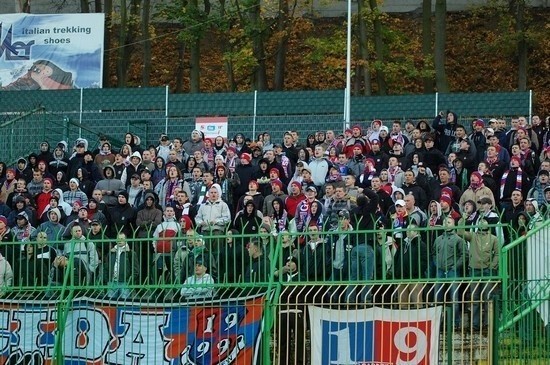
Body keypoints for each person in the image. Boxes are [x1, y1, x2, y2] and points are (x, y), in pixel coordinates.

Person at [457, 218, 499, 330]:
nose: (482, 223)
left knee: (487, 298)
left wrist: (492, 266)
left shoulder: (493, 238)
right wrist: (463, 219)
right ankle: (475, 325)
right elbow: (460, 232)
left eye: (484, 221)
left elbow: (498, 254)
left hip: (487, 271)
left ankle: (488, 324)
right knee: (475, 298)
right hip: (474, 270)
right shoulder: (473, 236)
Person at [433, 217, 468, 329]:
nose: (446, 224)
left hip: (452, 271)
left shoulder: (458, 239)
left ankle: (455, 323)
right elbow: (433, 252)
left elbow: (464, 255)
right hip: (440, 270)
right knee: (437, 297)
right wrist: (437, 263)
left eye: (448, 222)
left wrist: (455, 266)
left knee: (454, 298)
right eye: (444, 222)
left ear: (453, 225)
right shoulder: (438, 239)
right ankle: (437, 322)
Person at [392, 224, 428, 308]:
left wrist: (416, 272)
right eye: (407, 230)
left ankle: (419, 320)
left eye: (410, 230)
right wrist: (397, 272)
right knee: (402, 304)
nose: (407, 232)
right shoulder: (403, 244)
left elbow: (424, 261)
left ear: (416, 232)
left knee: (417, 303)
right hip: (402, 277)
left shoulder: (421, 244)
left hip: (415, 278)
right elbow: (396, 259)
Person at [103, 233, 139, 300]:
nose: (120, 240)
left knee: (124, 304)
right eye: (118, 239)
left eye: (122, 239)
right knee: (111, 304)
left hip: (125, 283)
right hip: (112, 282)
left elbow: (135, 270)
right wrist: (107, 280)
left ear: (125, 240)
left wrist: (129, 281)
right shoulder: (111, 252)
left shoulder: (130, 253)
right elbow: (106, 267)